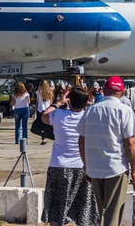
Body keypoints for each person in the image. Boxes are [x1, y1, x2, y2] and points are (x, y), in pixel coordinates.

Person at [77, 76, 135, 226]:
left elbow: (81, 140)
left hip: (94, 169)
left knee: (102, 210)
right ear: (123, 92)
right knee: (112, 214)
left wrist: (86, 165)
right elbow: (131, 143)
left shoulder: (90, 110)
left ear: (104, 90)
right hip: (115, 168)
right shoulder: (124, 110)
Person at [41, 87, 100, 226]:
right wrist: (88, 102)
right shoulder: (89, 117)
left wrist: (59, 102)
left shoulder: (58, 115)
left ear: (69, 101)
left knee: (56, 206)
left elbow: (44, 116)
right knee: (84, 206)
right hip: (82, 166)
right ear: (85, 102)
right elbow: (100, 108)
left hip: (59, 165)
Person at [35, 81, 54, 145]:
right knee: (48, 124)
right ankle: (49, 136)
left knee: (41, 125)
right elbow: (51, 102)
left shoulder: (38, 92)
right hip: (48, 109)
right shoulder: (50, 92)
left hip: (40, 109)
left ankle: (43, 139)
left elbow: (37, 101)